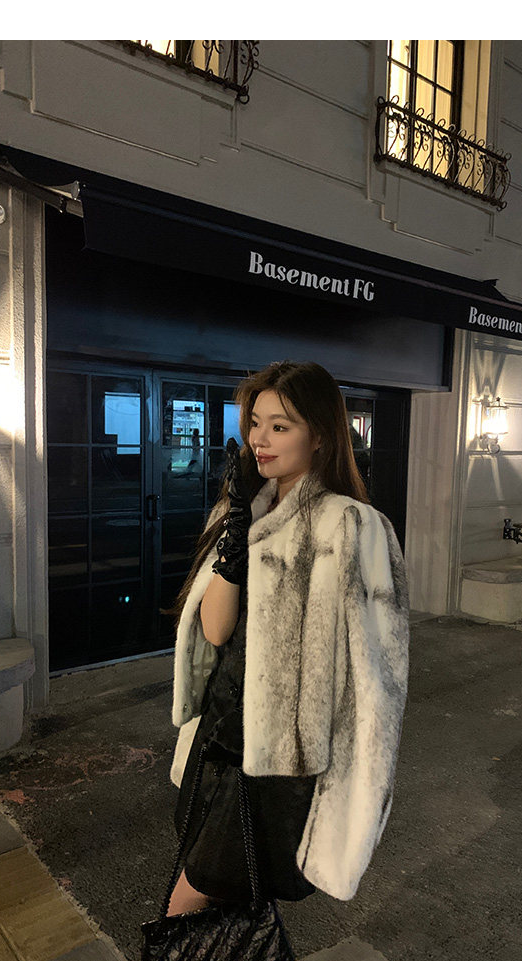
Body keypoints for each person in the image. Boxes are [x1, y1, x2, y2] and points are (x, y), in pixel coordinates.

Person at [165, 360, 409, 923]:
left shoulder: (350, 525)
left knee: (192, 897)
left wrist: (355, 792)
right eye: (255, 423)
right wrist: (234, 540)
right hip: (220, 735)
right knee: (228, 904)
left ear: (319, 435)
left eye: (280, 426)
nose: (260, 439)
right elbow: (215, 631)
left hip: (278, 763)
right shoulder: (243, 511)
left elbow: (378, 678)